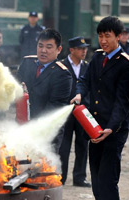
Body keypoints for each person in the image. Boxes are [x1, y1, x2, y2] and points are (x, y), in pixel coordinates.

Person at [71, 16, 129, 200]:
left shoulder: (125, 63)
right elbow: (83, 81)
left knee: (107, 179)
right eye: (100, 36)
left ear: (118, 36)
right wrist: (79, 93)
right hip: (94, 127)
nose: (103, 41)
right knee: (95, 177)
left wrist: (110, 128)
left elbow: (123, 101)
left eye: (107, 36)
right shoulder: (97, 57)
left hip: (114, 129)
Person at [17, 28, 72, 152]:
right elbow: (16, 87)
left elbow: (54, 107)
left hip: (46, 131)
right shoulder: (28, 62)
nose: (43, 50)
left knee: (43, 169)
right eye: (40, 46)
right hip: (22, 128)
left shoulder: (62, 74)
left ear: (59, 50)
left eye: (49, 47)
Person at [58, 36, 91, 187]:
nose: (84, 51)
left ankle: (79, 177)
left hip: (83, 111)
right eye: (80, 48)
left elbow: (90, 88)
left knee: (83, 144)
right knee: (64, 145)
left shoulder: (87, 66)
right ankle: (61, 177)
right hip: (66, 112)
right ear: (71, 50)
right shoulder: (61, 65)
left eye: (85, 48)